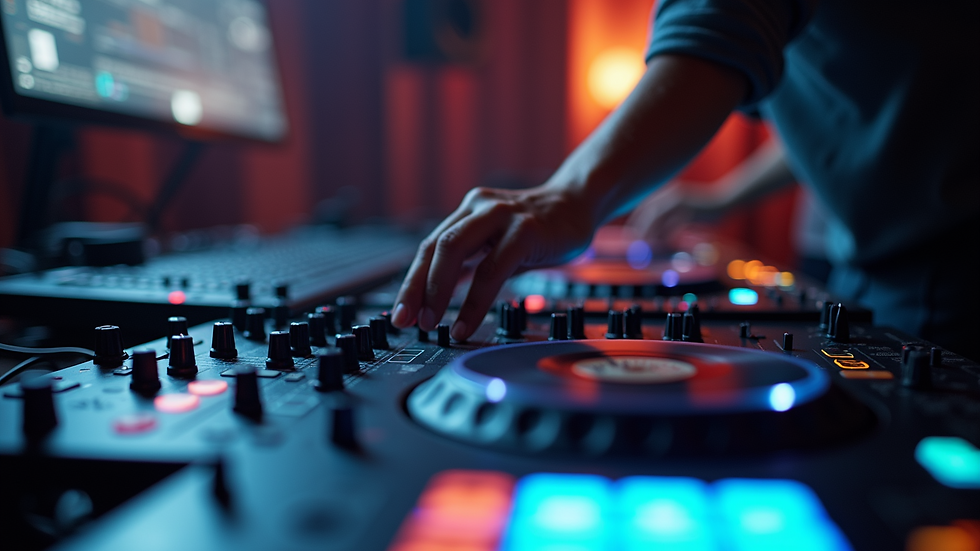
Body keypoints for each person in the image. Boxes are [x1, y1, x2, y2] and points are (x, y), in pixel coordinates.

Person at [389, 0, 980, 360]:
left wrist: (570, 195)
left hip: (948, 266)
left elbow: (715, 30)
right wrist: (723, 197)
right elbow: (843, 122)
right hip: (891, 262)